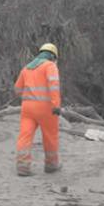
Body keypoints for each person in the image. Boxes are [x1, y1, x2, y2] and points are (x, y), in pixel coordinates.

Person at [13, 43, 61, 176]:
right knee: (50, 136)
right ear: (52, 56)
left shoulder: (26, 68)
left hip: (27, 108)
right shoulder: (50, 66)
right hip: (46, 108)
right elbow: (54, 86)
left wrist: (29, 96)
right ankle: (51, 164)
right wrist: (56, 105)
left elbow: (17, 90)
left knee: (25, 136)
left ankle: (23, 166)